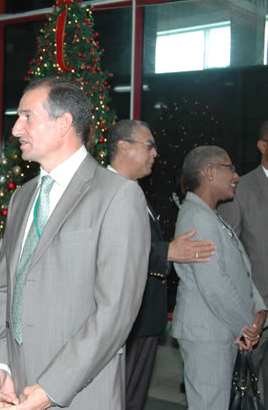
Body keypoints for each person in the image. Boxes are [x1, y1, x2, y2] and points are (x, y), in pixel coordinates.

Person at [0, 78, 150, 410]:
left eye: (27, 116)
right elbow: (3, 288)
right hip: (15, 386)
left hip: (81, 392)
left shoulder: (116, 195)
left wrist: (50, 388)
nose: (16, 129)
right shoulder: (22, 197)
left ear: (63, 124)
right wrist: (0, 365)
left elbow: (114, 312)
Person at [106, 119, 216, 410]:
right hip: (128, 319)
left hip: (142, 317)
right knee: (122, 398)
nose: (155, 153)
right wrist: (167, 252)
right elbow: (114, 252)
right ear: (122, 147)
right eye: (149, 145)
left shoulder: (132, 190)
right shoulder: (108, 192)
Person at [172, 145, 267, 410]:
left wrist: (260, 309)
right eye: (230, 168)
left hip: (223, 331)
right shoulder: (197, 219)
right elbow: (215, 286)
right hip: (208, 338)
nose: (236, 176)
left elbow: (243, 271)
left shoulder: (211, 216)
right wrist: (248, 325)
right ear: (209, 172)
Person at [218, 121, 268, 394]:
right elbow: (230, 253)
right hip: (254, 314)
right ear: (262, 146)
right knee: (244, 391)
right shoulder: (241, 190)